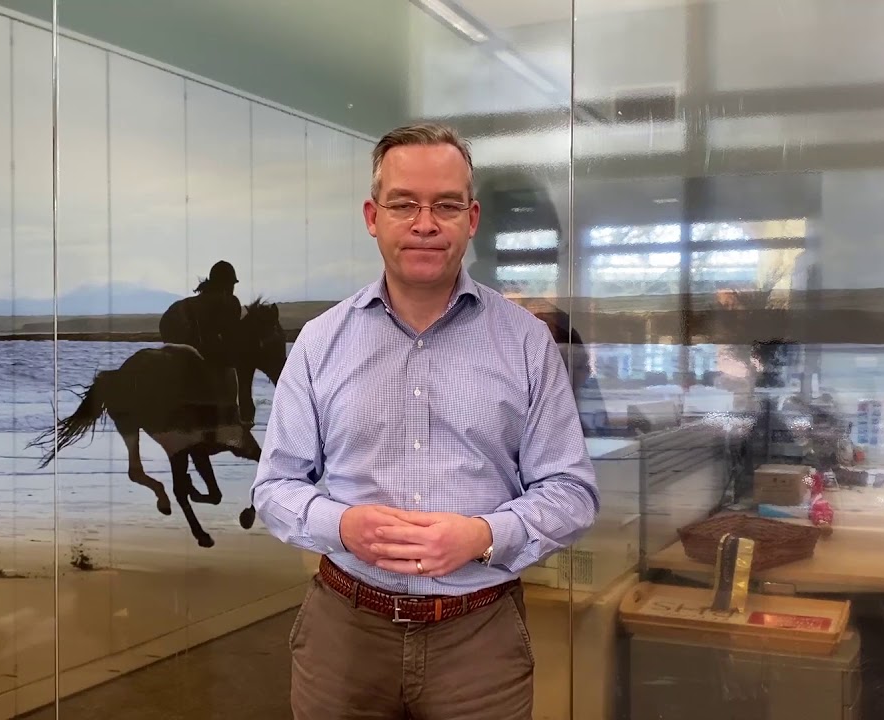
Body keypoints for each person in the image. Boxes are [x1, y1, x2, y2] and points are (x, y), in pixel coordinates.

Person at [250, 123, 600, 719]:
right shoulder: (319, 342)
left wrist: (483, 536)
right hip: (343, 634)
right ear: (373, 216)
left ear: (472, 218)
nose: (425, 223)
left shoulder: (526, 342)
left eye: (446, 205)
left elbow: (571, 492)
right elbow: (274, 487)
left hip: (479, 640)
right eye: (404, 204)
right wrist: (342, 525)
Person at [158, 259, 246, 445]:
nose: (232, 289)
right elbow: (226, 336)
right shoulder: (225, 303)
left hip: (178, 336)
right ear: (225, 286)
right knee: (225, 369)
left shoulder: (210, 302)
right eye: (231, 285)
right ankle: (228, 417)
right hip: (186, 337)